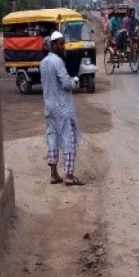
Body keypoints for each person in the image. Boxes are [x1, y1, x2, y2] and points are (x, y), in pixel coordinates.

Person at [40, 31, 84, 186]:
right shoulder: (57, 62)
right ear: (53, 45)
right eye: (60, 43)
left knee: (51, 138)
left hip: (49, 107)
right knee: (68, 139)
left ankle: (54, 174)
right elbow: (66, 84)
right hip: (62, 107)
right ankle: (69, 175)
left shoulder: (43, 62)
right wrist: (74, 81)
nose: (63, 46)